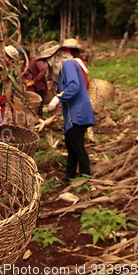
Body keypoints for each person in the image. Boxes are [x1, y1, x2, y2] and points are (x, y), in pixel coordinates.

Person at [37, 40, 95, 183]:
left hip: (78, 113)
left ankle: (85, 176)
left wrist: (57, 99)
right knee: (71, 145)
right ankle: (69, 176)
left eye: (46, 60)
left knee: (76, 145)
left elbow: (73, 86)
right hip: (73, 114)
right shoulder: (69, 66)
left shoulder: (68, 65)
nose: (46, 64)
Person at [19, 45, 48, 116]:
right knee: (31, 108)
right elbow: (21, 76)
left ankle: (40, 120)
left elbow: (43, 71)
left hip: (39, 87)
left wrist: (34, 81)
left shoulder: (35, 60)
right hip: (30, 89)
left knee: (39, 107)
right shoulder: (24, 64)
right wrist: (25, 81)